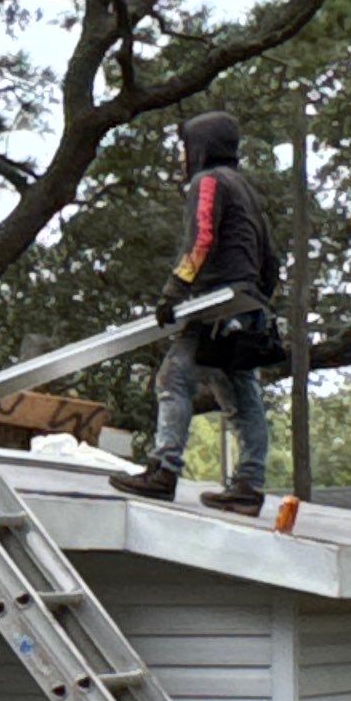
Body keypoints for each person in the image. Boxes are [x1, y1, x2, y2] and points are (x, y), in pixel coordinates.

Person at [113, 110, 281, 514]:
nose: (182, 157)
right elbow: (271, 258)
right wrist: (256, 301)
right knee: (241, 394)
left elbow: (202, 238)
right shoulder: (245, 190)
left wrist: (174, 291)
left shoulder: (208, 182)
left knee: (174, 378)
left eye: (185, 148)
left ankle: (164, 470)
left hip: (216, 304)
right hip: (243, 304)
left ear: (201, 147)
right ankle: (249, 486)